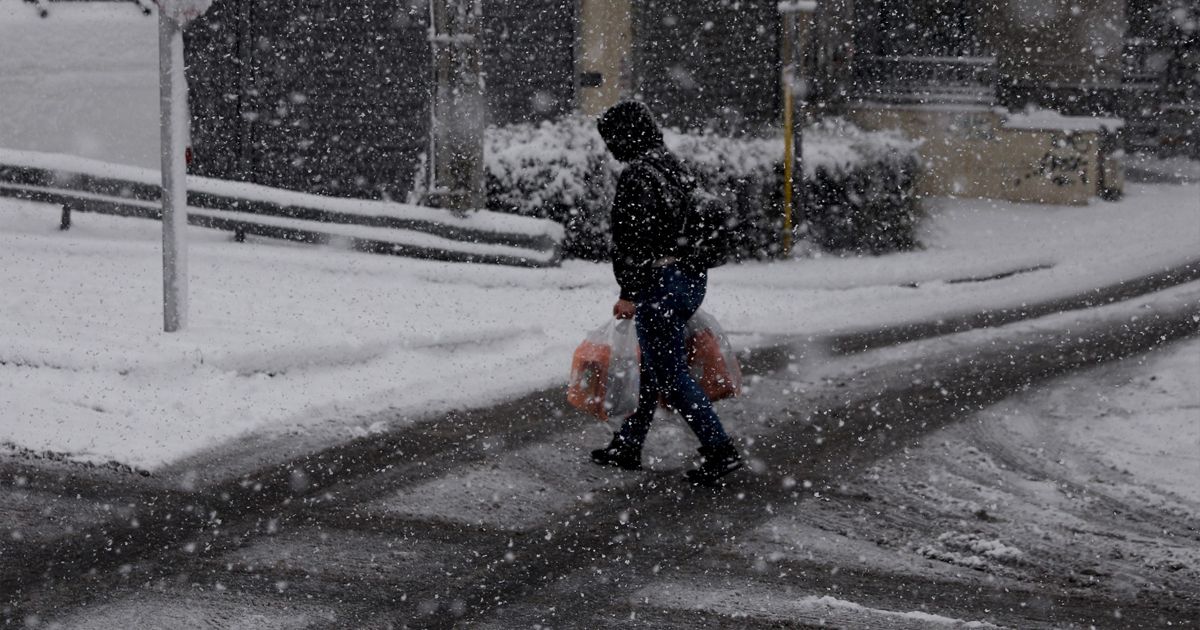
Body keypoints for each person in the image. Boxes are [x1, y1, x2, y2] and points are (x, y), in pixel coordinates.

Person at [589, 100, 743, 486]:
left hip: (660, 281)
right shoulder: (672, 166)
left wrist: (629, 291)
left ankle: (719, 449)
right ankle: (628, 443)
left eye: (611, 139)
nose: (609, 148)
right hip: (688, 278)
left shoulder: (639, 176)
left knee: (671, 375)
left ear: (626, 136)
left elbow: (633, 241)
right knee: (653, 366)